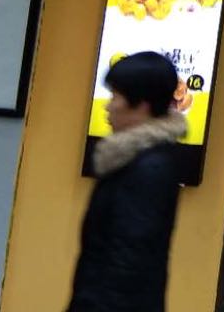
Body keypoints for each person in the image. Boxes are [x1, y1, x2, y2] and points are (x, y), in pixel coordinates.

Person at [68, 51, 188, 312]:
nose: (108, 106)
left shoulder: (149, 169)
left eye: (115, 96)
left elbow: (129, 262)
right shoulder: (133, 160)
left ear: (141, 105)